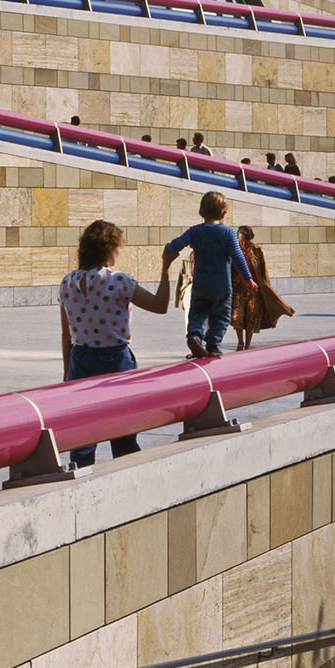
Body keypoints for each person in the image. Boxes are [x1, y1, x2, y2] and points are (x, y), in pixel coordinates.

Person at [58, 220, 171, 466]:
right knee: (123, 434)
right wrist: (166, 267)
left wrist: (68, 374)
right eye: (118, 246)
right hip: (116, 361)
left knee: (82, 437)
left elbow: (66, 335)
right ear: (109, 248)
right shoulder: (119, 280)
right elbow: (160, 305)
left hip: (80, 360)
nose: (120, 252)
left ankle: (81, 478)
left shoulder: (67, 283)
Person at [164, 191, 252, 359]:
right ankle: (213, 344)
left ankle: (194, 335)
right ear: (223, 213)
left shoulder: (195, 231)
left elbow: (177, 244)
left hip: (201, 284)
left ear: (201, 211)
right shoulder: (228, 233)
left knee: (197, 312)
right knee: (222, 316)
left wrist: (168, 249)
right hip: (222, 286)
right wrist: (248, 277)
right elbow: (238, 257)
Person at [229, 226, 294, 351]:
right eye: (240, 240)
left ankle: (247, 345)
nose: (242, 243)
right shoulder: (233, 250)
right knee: (237, 317)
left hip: (254, 290)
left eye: (245, 241)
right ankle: (240, 342)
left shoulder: (257, 250)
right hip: (238, 289)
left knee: (251, 318)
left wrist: (266, 288)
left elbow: (263, 271)